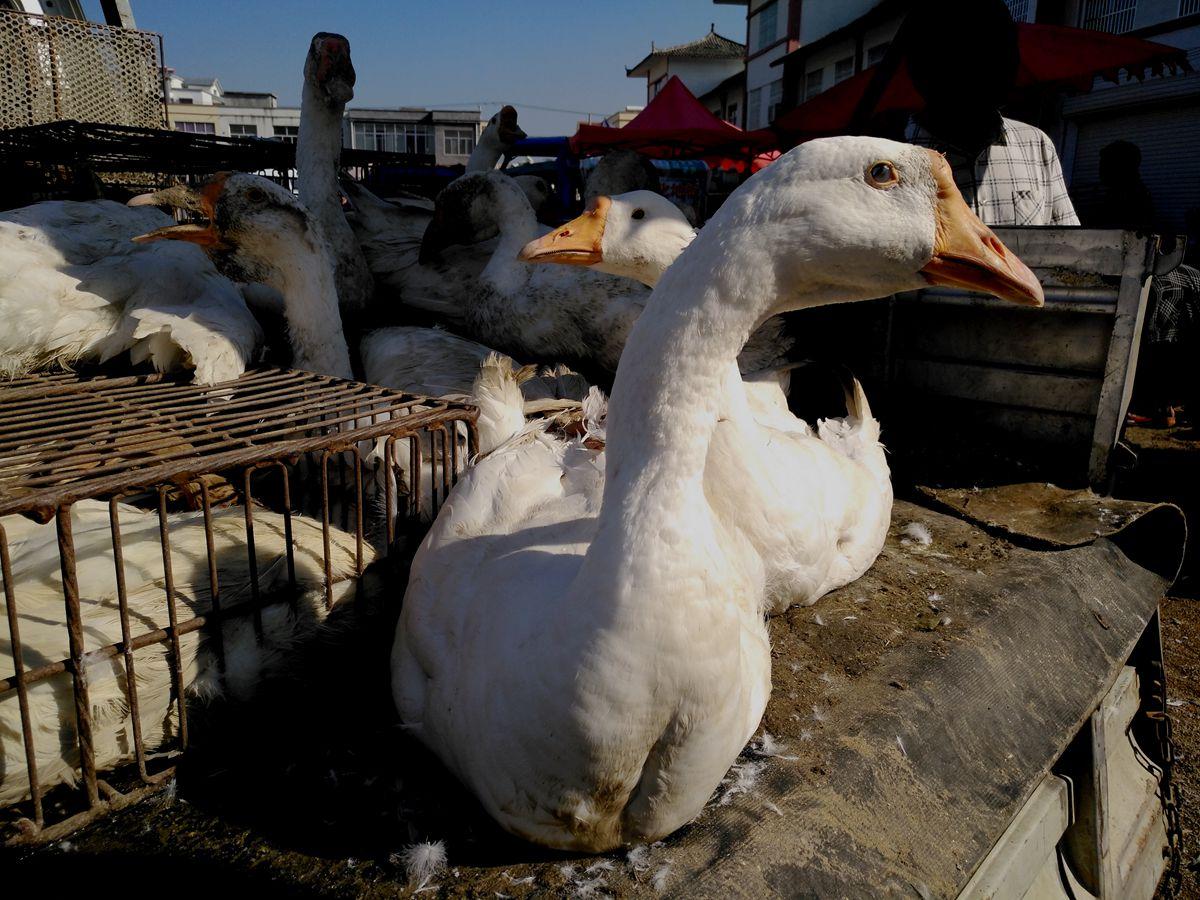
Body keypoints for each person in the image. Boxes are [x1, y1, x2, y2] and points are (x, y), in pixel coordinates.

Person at [902, 0, 1080, 227]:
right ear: (923, 67)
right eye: (971, 49)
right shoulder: (890, 157)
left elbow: (1068, 244)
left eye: (1006, 49)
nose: (1001, 65)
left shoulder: (1036, 145)